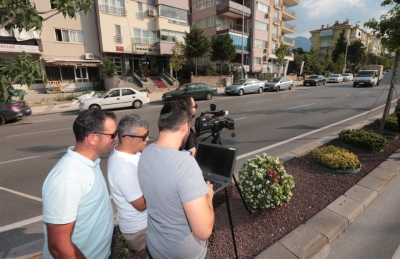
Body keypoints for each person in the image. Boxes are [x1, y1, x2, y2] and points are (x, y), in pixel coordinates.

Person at [138, 101, 215, 259]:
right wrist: (209, 198)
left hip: (156, 248)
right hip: (184, 253)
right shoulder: (184, 164)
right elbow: (204, 231)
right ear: (185, 128)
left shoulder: (146, 153)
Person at [42, 109, 116, 258]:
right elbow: (58, 246)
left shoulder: (90, 163)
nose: (116, 138)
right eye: (112, 135)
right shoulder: (68, 178)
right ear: (92, 138)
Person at [107, 114, 150, 259]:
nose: (147, 139)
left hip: (139, 225)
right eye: (143, 137)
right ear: (127, 138)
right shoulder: (123, 167)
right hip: (140, 228)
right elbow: (141, 205)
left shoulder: (130, 153)